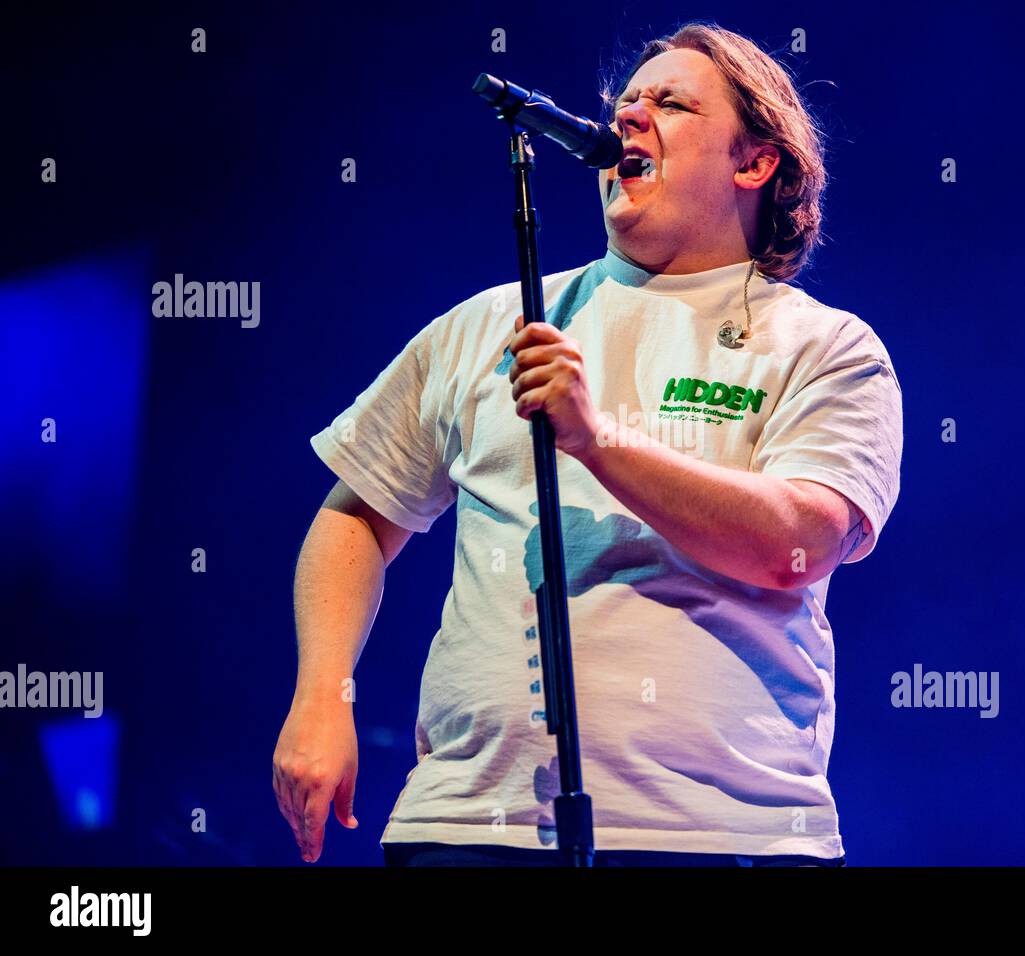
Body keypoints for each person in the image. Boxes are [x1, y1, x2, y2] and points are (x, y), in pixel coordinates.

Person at [273, 21, 903, 868]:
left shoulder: (825, 347)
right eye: (626, 104)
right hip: (469, 827)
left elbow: (800, 544)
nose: (631, 118)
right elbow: (356, 516)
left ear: (755, 162)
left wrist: (599, 441)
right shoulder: (491, 322)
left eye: (671, 103)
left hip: (719, 834)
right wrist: (322, 694)